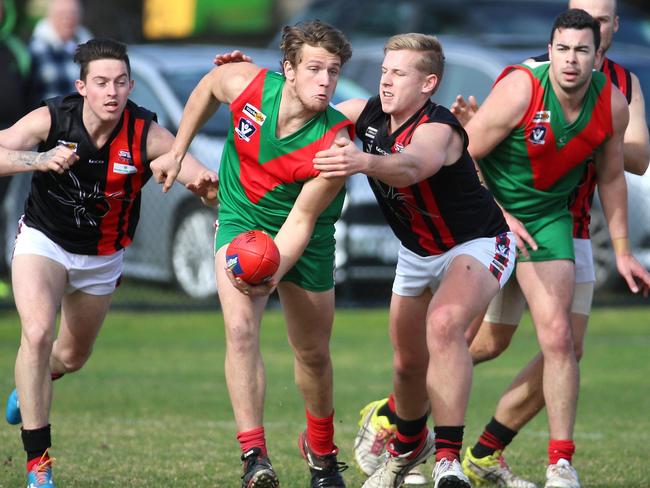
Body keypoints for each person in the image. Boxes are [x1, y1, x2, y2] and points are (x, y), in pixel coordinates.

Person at [354, 5, 650, 488]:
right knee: (462, 342)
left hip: (556, 221)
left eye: (586, 44)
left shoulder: (618, 97)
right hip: (491, 220)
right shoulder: (522, 85)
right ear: (551, 48)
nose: (572, 58)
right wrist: (502, 215)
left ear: (603, 44)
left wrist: (621, 249)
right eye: (563, 49)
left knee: (558, 342)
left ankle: (556, 463)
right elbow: (464, 152)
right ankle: (403, 424)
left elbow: (619, 170)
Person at [1, 38, 218, 488]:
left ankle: (32, 382)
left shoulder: (145, 132)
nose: (111, 92)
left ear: (131, 85)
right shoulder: (53, 117)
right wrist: (38, 160)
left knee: (73, 355)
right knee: (38, 332)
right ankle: (38, 467)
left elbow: (192, 170)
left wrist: (200, 182)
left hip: (102, 257)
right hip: (44, 241)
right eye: (101, 82)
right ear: (82, 86)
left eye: (120, 82)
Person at [311, 33, 516, 488]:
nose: (385, 82)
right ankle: (407, 448)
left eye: (398, 74)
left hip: (478, 243)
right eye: (384, 71)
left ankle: (447, 460)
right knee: (407, 365)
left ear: (428, 83)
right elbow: (301, 112)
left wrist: (361, 161)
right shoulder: (365, 116)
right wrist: (259, 83)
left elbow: (411, 167)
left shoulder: (438, 129)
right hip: (417, 252)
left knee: (444, 325)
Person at [162, 20, 354, 488]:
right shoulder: (246, 84)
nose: (325, 81)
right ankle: (254, 456)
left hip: (304, 240)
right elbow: (208, 87)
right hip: (241, 220)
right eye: (314, 69)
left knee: (312, 353)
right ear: (288, 69)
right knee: (240, 330)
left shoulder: (337, 143)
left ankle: (322, 451)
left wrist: (271, 270)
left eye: (333, 71)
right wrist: (178, 150)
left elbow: (302, 221)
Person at [0, 0, 31, 286]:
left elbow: (31, 97)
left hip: (11, 148)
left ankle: (3, 279)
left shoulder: (17, 52)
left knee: (6, 212)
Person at [28, 0, 92, 107]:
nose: (67, 18)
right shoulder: (37, 49)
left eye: (73, 13)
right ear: (50, 16)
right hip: (52, 118)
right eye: (61, 14)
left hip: (84, 118)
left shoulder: (88, 45)